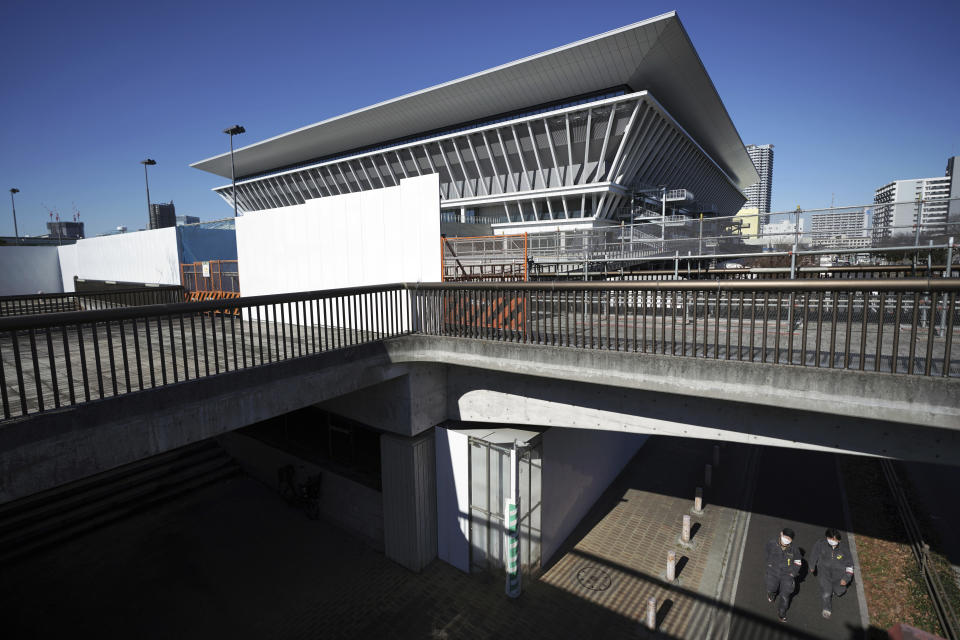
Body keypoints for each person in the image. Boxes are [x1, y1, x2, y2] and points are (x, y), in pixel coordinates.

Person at [809, 528, 855, 619]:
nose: (832, 541)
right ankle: (827, 608)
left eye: (835, 540)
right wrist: (812, 565)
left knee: (839, 592)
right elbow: (814, 554)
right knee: (826, 592)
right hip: (824, 572)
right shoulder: (820, 544)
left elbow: (850, 565)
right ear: (827, 537)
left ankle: (834, 590)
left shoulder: (844, 549)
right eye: (830, 539)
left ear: (839, 540)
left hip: (839, 575)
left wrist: (846, 578)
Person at [765, 527, 802, 622]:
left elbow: (798, 562)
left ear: (792, 540)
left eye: (789, 539)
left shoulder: (795, 550)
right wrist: (769, 564)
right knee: (771, 587)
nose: (786, 540)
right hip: (773, 572)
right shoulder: (772, 543)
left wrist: (792, 574)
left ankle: (782, 613)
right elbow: (767, 552)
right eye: (785, 537)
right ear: (781, 534)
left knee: (785, 596)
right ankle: (771, 594)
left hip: (787, 575)